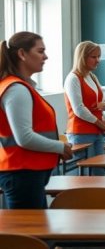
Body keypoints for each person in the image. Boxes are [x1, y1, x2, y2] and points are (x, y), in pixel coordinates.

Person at [0, 32, 73, 209]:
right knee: (28, 233)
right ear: (22, 54)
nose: (45, 56)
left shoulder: (21, 86)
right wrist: (60, 147)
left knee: (36, 231)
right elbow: (24, 137)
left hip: (26, 172)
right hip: (22, 173)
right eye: (40, 51)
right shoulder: (16, 89)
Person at [64, 41, 105, 176]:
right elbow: (79, 109)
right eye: (94, 57)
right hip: (81, 133)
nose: (98, 61)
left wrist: (104, 117)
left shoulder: (92, 77)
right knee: (86, 174)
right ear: (82, 57)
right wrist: (99, 122)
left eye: (99, 56)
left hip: (98, 131)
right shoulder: (73, 78)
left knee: (99, 172)